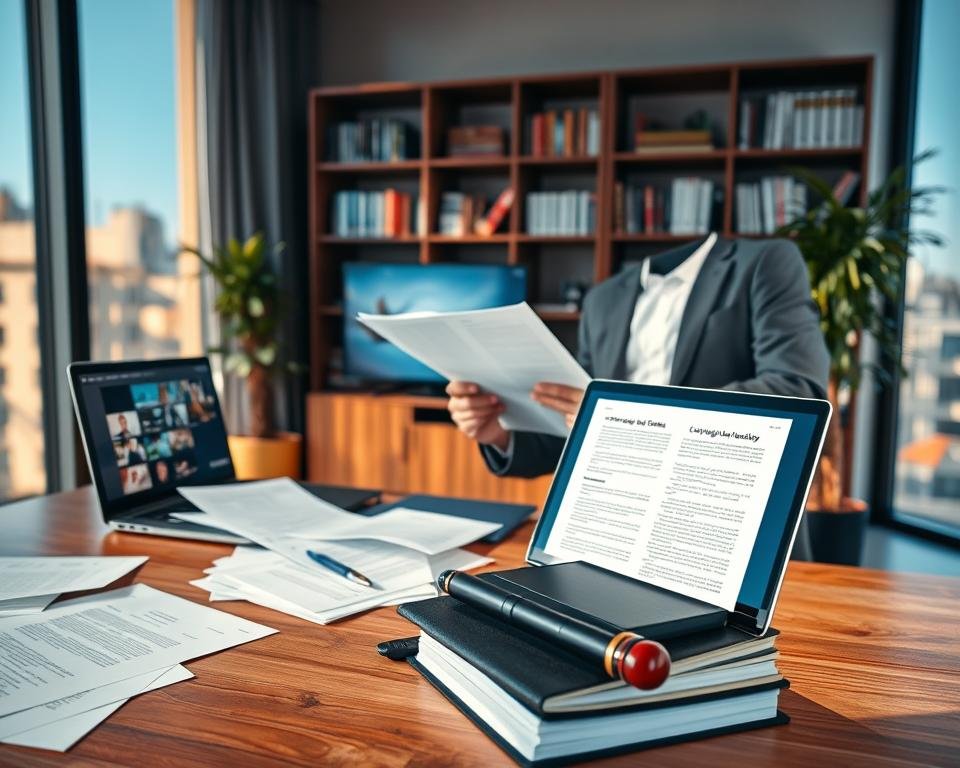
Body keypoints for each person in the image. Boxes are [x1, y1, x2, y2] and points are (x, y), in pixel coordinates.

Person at [447, 234, 829, 479]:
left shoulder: (764, 262)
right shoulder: (602, 299)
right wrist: (498, 435)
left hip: (724, 505)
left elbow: (797, 390)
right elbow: (577, 427)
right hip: (613, 515)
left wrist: (625, 414)